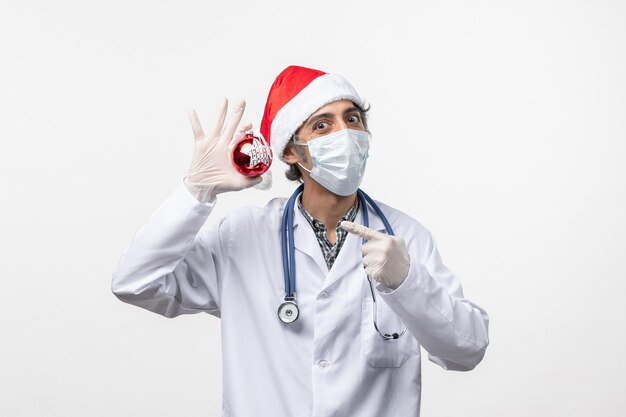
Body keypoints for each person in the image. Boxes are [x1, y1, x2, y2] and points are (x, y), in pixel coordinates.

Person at [111, 65, 490, 417]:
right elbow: (135, 283)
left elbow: (466, 351)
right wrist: (196, 192)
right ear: (291, 152)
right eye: (322, 126)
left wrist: (407, 284)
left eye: (352, 119)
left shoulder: (405, 237)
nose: (345, 134)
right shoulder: (242, 237)